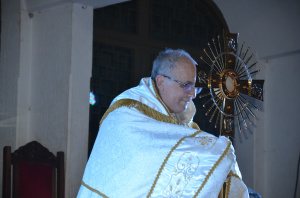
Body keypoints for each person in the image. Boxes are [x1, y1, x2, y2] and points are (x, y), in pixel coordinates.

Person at [77, 49, 249, 198]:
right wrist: (215, 150)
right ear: (160, 81)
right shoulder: (126, 111)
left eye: (196, 87)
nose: (193, 94)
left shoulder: (179, 118)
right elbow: (149, 160)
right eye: (186, 85)